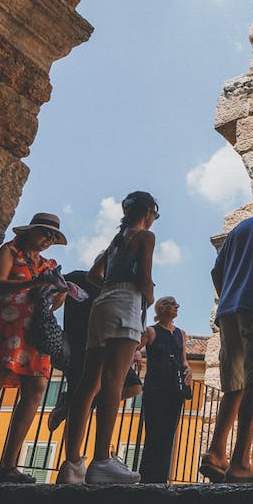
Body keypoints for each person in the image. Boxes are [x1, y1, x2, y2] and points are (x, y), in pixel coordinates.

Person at [58, 192, 158, 484]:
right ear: (149, 212)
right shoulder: (145, 237)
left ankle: (73, 463)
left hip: (102, 303)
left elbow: (91, 275)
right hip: (126, 302)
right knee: (114, 379)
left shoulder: (115, 242)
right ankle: (102, 460)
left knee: (88, 383)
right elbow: (145, 278)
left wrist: (111, 287)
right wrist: (148, 297)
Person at [0, 213, 66, 483]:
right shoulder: (9, 251)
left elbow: (51, 303)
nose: (47, 240)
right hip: (5, 326)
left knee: (36, 389)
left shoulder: (47, 265)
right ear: (30, 231)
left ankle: (9, 465)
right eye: (44, 233)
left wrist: (60, 295)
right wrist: (35, 283)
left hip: (34, 331)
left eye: (52, 237)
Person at [199, 196, 253, 484]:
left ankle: (216, 452)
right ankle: (241, 461)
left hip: (229, 311)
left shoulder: (238, 230)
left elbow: (215, 272)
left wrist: (228, 296)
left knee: (234, 386)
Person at [46, 268, 142, 432]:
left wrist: (133, 349)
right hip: (80, 344)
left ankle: (68, 403)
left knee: (134, 386)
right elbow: (52, 290)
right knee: (83, 398)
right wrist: (60, 295)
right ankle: (72, 456)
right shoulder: (78, 277)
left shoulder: (114, 288)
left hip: (108, 345)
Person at [138, 296, 191, 483]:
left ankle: (161, 478)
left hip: (174, 388)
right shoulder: (151, 331)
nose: (177, 306)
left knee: (169, 433)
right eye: (172, 304)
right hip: (155, 386)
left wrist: (188, 368)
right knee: (153, 431)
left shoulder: (181, 333)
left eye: (177, 304)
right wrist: (137, 353)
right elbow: (136, 346)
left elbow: (183, 359)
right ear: (161, 308)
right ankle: (147, 477)